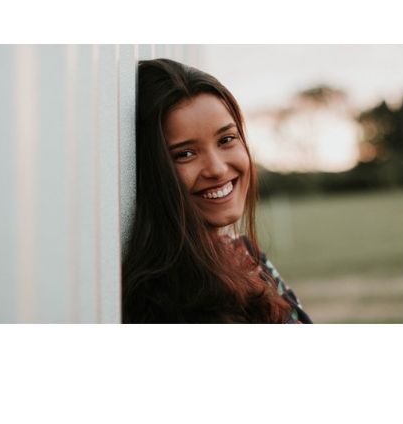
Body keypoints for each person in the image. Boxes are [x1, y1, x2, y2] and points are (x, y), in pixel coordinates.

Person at [123, 58, 312, 324]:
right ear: (151, 169)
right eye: (185, 154)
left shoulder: (244, 253)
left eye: (226, 139)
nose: (218, 169)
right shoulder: (170, 303)